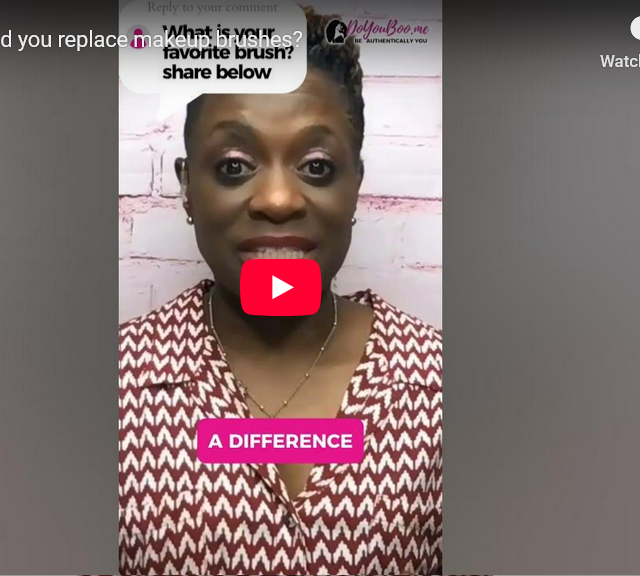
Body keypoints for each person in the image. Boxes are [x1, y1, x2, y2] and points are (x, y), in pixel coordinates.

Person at [118, 5, 442, 574]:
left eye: (316, 166)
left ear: (356, 184)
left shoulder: (438, 386)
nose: (277, 200)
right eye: (234, 166)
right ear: (187, 187)